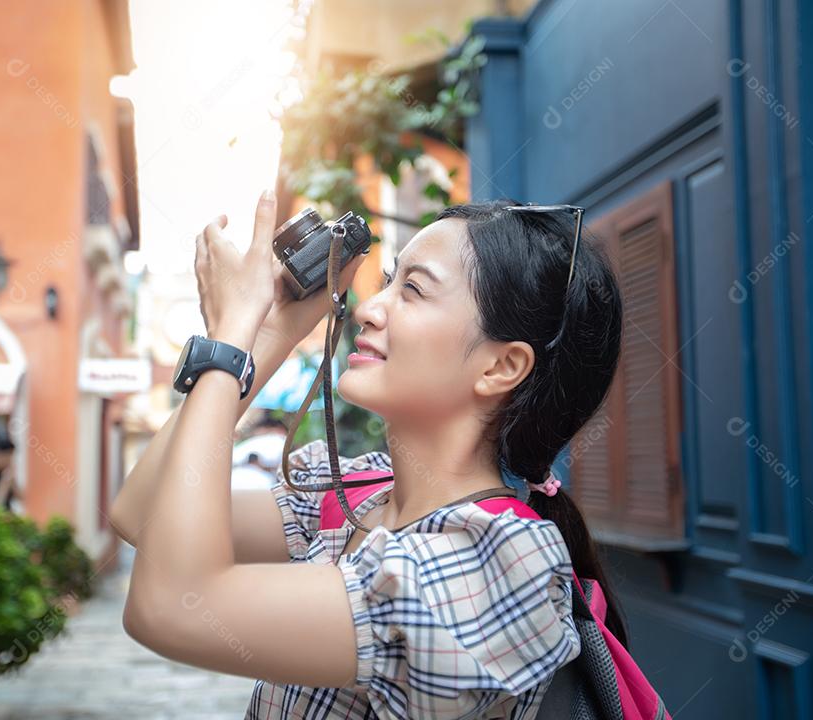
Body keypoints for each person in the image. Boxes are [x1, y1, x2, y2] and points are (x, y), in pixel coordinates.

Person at [111, 191, 625, 719]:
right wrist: (271, 333)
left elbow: (171, 607)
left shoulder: (499, 566)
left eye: (414, 290)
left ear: (500, 367)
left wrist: (228, 346)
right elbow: (142, 514)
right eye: (387, 282)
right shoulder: (355, 493)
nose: (367, 308)